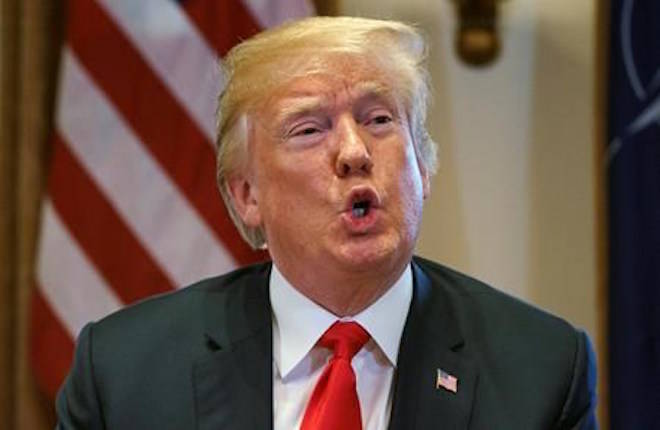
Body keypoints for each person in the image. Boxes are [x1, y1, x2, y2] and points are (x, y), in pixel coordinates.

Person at [55, 16, 597, 429]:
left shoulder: (542, 371)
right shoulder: (125, 375)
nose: (354, 152)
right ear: (247, 196)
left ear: (424, 166)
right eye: (309, 129)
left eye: (379, 119)